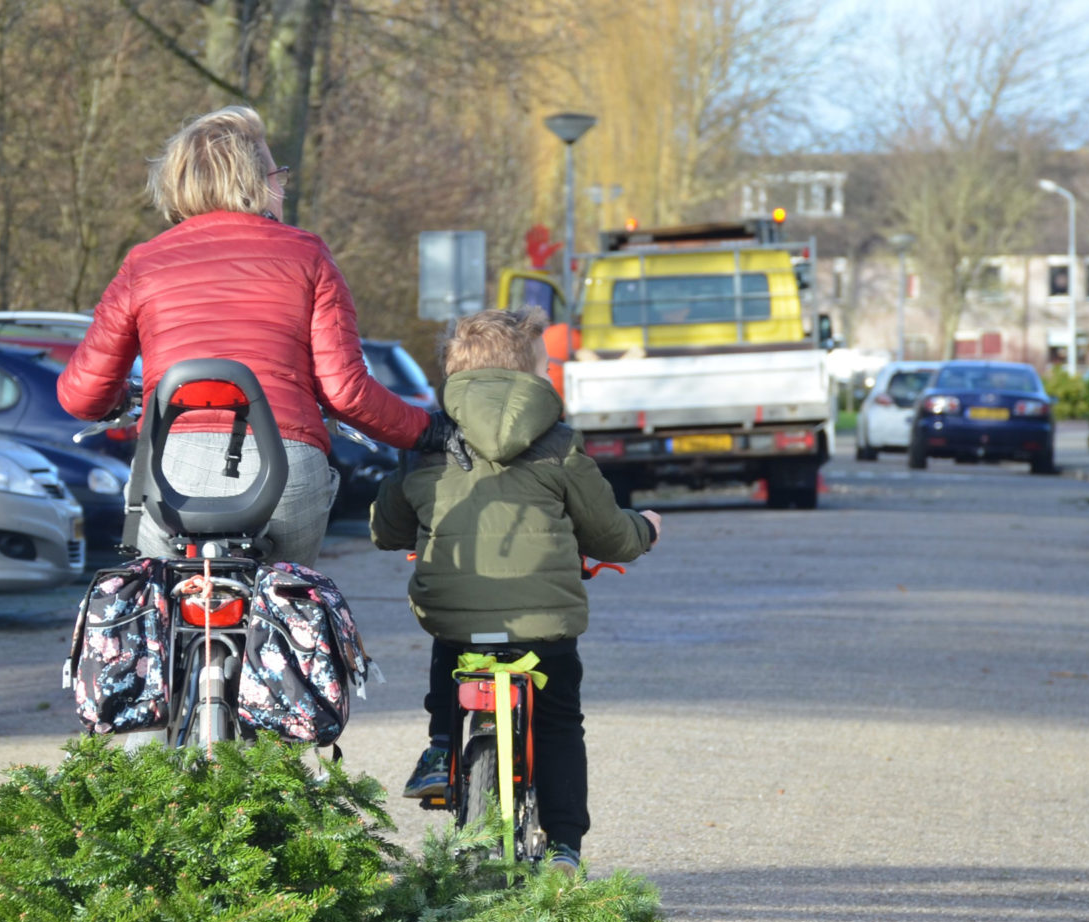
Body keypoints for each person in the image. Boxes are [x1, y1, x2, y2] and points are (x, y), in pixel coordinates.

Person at [58, 105, 452, 563]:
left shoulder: (145, 262)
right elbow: (345, 392)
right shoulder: (307, 256)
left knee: (160, 598)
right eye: (277, 174)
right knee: (288, 603)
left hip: (170, 472)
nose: (282, 186)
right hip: (284, 472)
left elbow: (80, 395)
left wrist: (120, 399)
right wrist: (427, 430)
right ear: (255, 182)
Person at [369, 308, 661, 873]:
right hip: (542, 623)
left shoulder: (426, 446)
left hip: (454, 615)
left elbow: (386, 529)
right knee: (557, 719)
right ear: (530, 376)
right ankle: (565, 847)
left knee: (452, 642)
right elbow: (610, 536)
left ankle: (440, 746)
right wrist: (645, 527)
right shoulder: (559, 447)